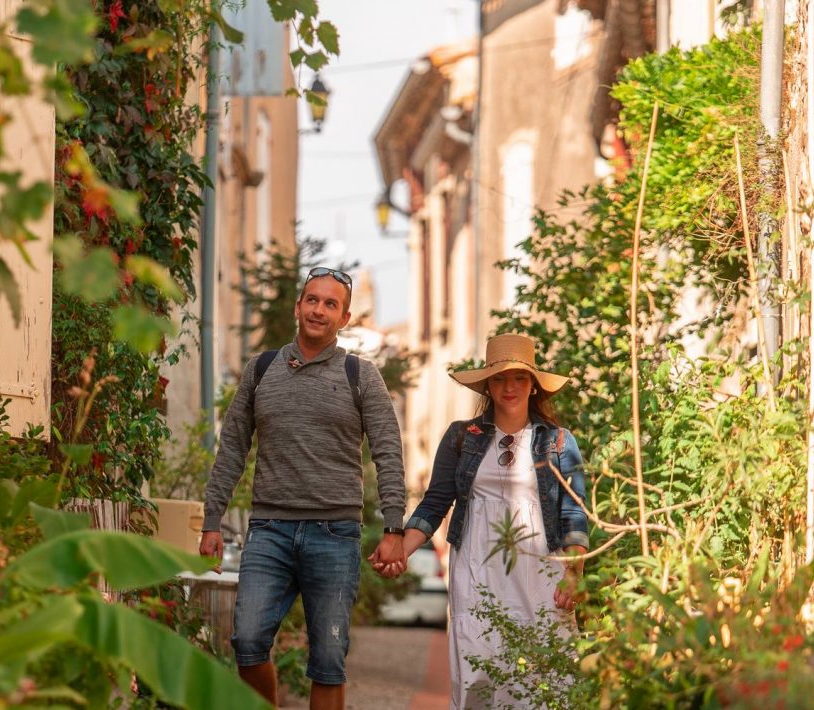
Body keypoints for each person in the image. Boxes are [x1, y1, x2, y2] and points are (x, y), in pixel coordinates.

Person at [200, 267, 407, 710]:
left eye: (330, 304)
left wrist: (394, 528)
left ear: (344, 318)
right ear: (299, 307)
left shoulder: (361, 376)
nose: (319, 310)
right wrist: (212, 520)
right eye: (312, 300)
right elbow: (233, 447)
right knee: (247, 641)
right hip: (270, 530)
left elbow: (388, 451)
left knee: (329, 658)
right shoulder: (261, 369)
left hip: (334, 535)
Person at [379, 333, 588, 709]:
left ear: (533, 385)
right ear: (488, 386)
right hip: (476, 564)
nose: (509, 387)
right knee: (479, 669)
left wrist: (574, 574)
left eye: (519, 378)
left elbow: (575, 513)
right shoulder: (462, 437)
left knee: (543, 669)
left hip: (541, 567)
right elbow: (435, 504)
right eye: (499, 378)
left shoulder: (558, 441)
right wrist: (402, 551)